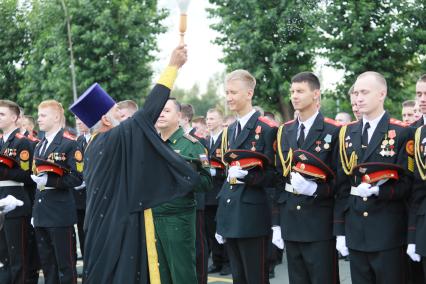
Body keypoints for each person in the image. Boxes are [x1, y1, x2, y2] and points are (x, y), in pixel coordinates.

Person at [69, 45, 202, 284]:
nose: (122, 115)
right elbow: (148, 112)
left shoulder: (94, 145)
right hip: (118, 231)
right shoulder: (111, 140)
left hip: (103, 229)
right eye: (116, 112)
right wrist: (172, 67)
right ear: (104, 120)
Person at [335, 71, 413, 284]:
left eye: (365, 92)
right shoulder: (347, 133)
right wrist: (340, 230)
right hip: (356, 231)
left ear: (381, 94)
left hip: (387, 232)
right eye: (357, 92)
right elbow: (341, 187)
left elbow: (409, 185)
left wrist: (380, 190)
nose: (359, 98)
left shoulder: (401, 132)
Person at [274, 72, 341, 284]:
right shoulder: (285, 131)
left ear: (316, 94)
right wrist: (277, 222)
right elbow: (278, 178)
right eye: (292, 91)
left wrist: (315, 190)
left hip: (319, 223)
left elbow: (341, 182)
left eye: (300, 91)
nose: (294, 96)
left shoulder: (334, 131)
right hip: (292, 220)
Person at [215, 69, 277, 284]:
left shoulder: (267, 128)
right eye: (226, 92)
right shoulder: (231, 130)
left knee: (256, 278)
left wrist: (247, 177)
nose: (228, 97)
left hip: (253, 215)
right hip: (232, 213)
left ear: (249, 94)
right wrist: (221, 220)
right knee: (239, 278)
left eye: (233, 92)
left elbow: (276, 176)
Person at [154, 98, 212, 284]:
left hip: (177, 219)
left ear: (179, 116)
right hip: (151, 218)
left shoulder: (192, 145)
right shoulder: (151, 143)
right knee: (158, 276)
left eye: (167, 111)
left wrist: (185, 178)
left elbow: (207, 181)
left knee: (182, 275)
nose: (161, 114)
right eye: (159, 110)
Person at [30, 99, 82, 284]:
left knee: (65, 266)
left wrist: (50, 181)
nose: (39, 119)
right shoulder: (39, 145)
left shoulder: (69, 143)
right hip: (42, 212)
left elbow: (77, 177)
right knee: (48, 265)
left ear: (57, 116)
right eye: (38, 115)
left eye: (43, 115)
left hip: (60, 213)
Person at [0, 100, 33, 284]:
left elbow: (28, 175)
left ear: (14, 118)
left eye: (1, 114)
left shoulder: (22, 142)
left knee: (17, 256)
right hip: (0, 201)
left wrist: (4, 171)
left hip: (16, 200)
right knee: (3, 257)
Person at [205, 108, 230, 276]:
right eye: (207, 118)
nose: (208, 121)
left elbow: (229, 165)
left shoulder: (226, 140)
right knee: (211, 230)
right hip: (208, 192)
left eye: (212, 118)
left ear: (221, 121)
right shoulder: (206, 141)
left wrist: (218, 172)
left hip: (221, 189)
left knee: (224, 230)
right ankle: (217, 261)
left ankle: (228, 263)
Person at [73, 117, 90, 260]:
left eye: (81, 118)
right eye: (76, 119)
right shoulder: (78, 141)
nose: (78, 122)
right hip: (80, 199)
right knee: (83, 234)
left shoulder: (100, 139)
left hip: (96, 197)